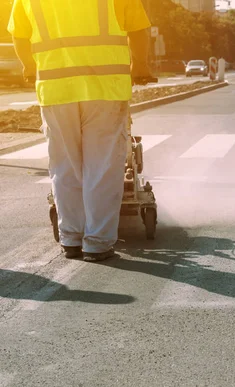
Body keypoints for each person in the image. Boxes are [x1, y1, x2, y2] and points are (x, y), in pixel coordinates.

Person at [8, 0, 152, 262]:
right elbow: (138, 29)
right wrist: (140, 66)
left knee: (64, 165)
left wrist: (29, 67)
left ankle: (71, 238)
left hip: (55, 88)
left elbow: (19, 35)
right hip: (105, 87)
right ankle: (97, 243)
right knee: (103, 166)